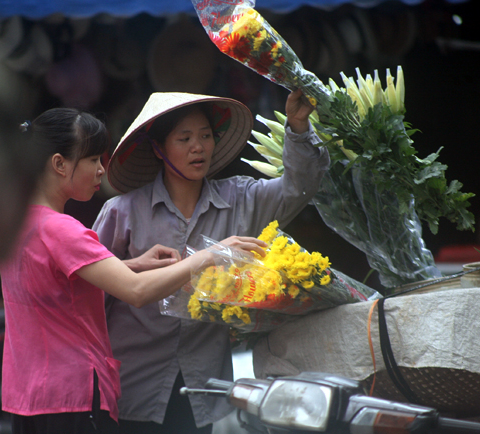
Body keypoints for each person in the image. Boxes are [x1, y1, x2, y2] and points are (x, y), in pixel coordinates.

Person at [0, 108, 265, 434]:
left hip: (29, 396)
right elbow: (136, 292)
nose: (101, 170)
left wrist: (132, 264)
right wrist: (210, 255)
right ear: (59, 164)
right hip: (72, 397)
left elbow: (59, 284)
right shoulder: (64, 231)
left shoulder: (17, 225)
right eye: (93, 159)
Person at [92, 89, 330, 433]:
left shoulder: (241, 199)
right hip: (132, 385)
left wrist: (297, 128)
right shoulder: (123, 212)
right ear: (159, 149)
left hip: (202, 384)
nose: (198, 147)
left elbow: (299, 188)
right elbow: (90, 298)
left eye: (205, 136)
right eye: (184, 138)